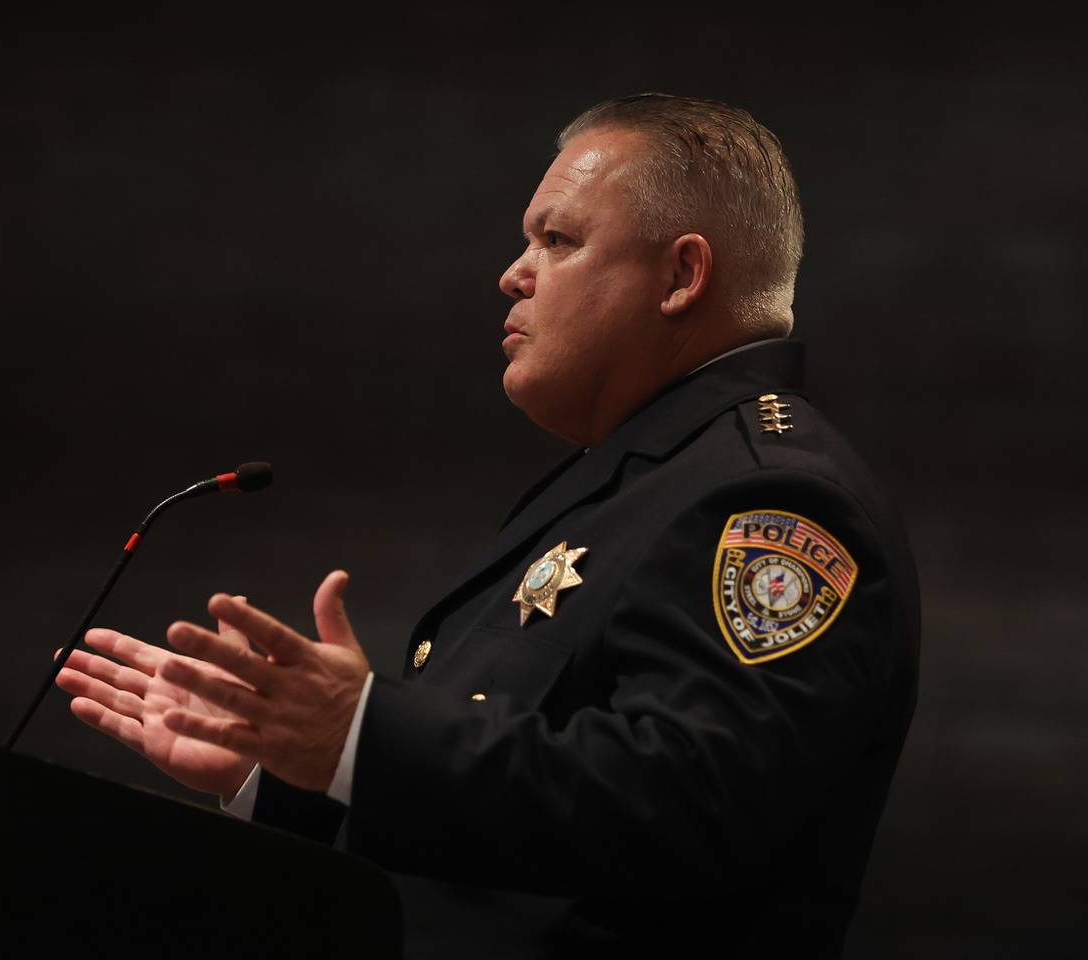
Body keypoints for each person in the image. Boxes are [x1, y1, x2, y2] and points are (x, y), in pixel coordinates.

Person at [54, 93, 920, 956]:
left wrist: (363, 736)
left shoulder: (769, 504)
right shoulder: (641, 475)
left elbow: (688, 809)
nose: (514, 272)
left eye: (558, 239)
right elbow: (509, 856)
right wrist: (287, 776)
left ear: (681, 277)